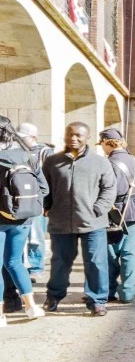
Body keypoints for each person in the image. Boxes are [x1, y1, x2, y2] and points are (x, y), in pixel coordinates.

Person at [42, 122, 116, 316]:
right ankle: (54, 296)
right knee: (59, 262)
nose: (73, 139)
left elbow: (109, 188)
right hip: (60, 222)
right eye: (69, 135)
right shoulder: (52, 162)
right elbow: (45, 187)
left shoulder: (100, 162)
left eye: (78, 135)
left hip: (93, 222)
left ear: (87, 137)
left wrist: (98, 209)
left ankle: (97, 300)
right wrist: (47, 206)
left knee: (96, 262)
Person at [0, 116, 49, 323]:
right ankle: (31, 306)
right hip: (23, 218)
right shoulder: (28, 156)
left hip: (1, 218)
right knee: (14, 262)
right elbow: (44, 189)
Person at [101, 128, 135, 305]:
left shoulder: (106, 163)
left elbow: (104, 189)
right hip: (134, 209)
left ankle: (109, 291)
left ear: (106, 142)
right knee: (130, 253)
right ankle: (127, 292)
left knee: (111, 255)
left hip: (112, 211)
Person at [16, 123, 52, 283]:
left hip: (37, 200)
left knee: (36, 236)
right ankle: (23, 266)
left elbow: (50, 178)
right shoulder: (17, 151)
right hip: (21, 200)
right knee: (22, 235)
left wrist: (46, 202)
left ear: (33, 137)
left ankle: (36, 268)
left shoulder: (45, 152)